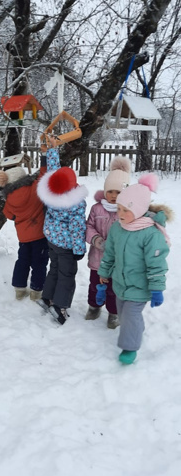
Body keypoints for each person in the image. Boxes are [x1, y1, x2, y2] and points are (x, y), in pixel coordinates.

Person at [98, 173, 172, 364]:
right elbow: (110, 255)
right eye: (119, 209)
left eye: (126, 210)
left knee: (130, 315)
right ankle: (135, 328)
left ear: (139, 210)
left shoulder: (150, 233)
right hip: (121, 284)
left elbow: (156, 263)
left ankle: (129, 348)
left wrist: (157, 289)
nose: (120, 214)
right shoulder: (117, 228)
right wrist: (104, 275)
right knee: (123, 314)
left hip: (140, 286)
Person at [36, 138, 88, 325]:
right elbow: (77, 228)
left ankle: (47, 297)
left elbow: (52, 170)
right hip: (66, 246)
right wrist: (79, 250)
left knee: (54, 269)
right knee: (67, 275)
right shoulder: (75, 203)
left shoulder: (51, 192)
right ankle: (60, 306)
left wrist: (52, 150)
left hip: (52, 240)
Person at [0, 149, 49, 301]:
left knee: (22, 261)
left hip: (23, 237)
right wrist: (44, 157)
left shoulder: (9, 197)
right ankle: (36, 291)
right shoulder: (35, 188)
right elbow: (44, 175)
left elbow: (9, 215)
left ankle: (19, 288)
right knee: (39, 263)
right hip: (40, 234)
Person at [85, 156, 131, 328]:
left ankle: (113, 313)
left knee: (114, 289)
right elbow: (89, 226)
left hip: (118, 262)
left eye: (118, 192)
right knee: (95, 285)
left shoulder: (128, 211)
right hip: (98, 259)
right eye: (110, 191)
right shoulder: (97, 208)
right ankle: (94, 306)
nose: (113, 196)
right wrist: (96, 239)